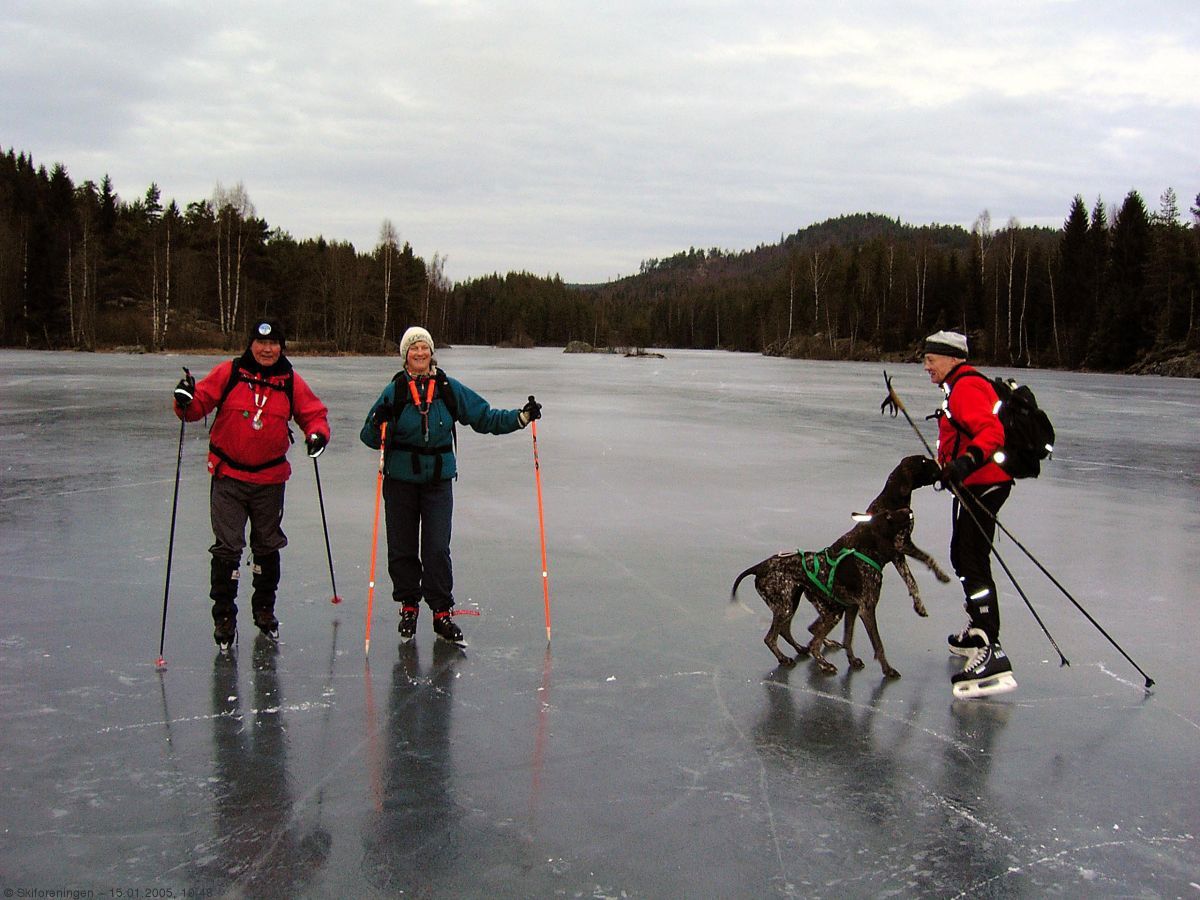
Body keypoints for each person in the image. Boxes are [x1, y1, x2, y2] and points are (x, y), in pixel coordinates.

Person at [360, 326, 541, 645]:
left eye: (424, 348)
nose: (419, 353)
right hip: (400, 481)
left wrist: (521, 418)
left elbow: (484, 416)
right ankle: (409, 606)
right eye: (413, 349)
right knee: (401, 548)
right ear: (405, 355)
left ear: (431, 353)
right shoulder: (395, 391)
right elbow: (369, 436)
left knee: (436, 549)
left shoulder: (446, 387)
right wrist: (379, 421)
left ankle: (441, 613)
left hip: (438, 483)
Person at [172, 320, 331, 651]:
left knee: (267, 547)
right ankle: (224, 616)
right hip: (228, 478)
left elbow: (313, 413)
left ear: (282, 348)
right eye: (261, 344)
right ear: (250, 346)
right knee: (228, 549)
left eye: (274, 343)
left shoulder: (289, 381)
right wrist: (185, 397)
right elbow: (196, 405)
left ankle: (264, 610)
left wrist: (317, 434)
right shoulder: (229, 372)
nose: (267, 349)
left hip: (269, 481)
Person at [922, 329, 1018, 698]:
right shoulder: (956, 388)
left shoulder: (967, 388)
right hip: (973, 484)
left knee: (971, 559)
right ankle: (977, 629)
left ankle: (989, 645)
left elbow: (991, 434)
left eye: (931, 359)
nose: (927, 367)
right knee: (963, 556)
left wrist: (964, 464)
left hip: (985, 484)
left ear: (952, 359)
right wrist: (947, 465)